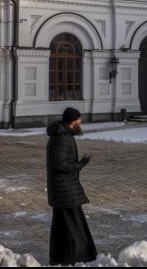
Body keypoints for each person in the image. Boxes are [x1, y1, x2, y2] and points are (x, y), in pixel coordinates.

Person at [46, 107, 97, 266]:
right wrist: (79, 165)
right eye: (79, 119)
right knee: (76, 227)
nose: (81, 122)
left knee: (61, 227)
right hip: (65, 190)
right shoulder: (63, 138)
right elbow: (59, 163)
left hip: (61, 190)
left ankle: (60, 258)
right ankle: (81, 257)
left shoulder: (62, 135)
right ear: (73, 122)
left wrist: (79, 163)